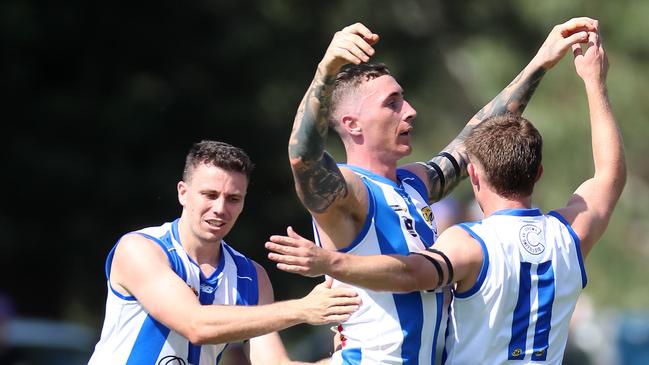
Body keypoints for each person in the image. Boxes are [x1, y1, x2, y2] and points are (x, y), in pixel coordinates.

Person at [267, 25, 626, 364]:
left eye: (404, 100)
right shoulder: (348, 191)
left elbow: (477, 141)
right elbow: (303, 157)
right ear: (352, 124)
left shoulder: (414, 184)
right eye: (392, 103)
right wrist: (325, 71)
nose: (409, 111)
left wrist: (540, 62)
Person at [88, 140, 360, 365]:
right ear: (183, 193)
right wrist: (303, 309)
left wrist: (346, 360)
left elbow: (274, 363)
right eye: (209, 194)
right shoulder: (140, 249)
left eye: (233, 199)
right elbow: (196, 325)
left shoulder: (252, 277)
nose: (220, 209)